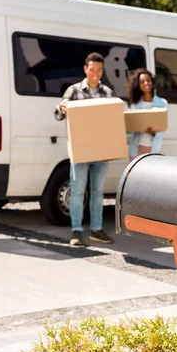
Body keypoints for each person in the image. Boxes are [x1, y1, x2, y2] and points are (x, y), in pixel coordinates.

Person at [55, 52, 115, 246]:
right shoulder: (73, 91)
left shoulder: (108, 93)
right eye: (92, 69)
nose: (95, 73)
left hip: (101, 149)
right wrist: (61, 107)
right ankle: (77, 231)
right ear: (85, 69)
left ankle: (96, 230)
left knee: (98, 192)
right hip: (81, 149)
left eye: (99, 70)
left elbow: (113, 118)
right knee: (78, 191)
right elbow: (58, 113)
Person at [127, 68, 168, 160]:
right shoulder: (135, 104)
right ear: (138, 85)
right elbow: (131, 126)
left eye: (148, 80)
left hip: (153, 148)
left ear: (152, 82)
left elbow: (164, 127)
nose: (146, 83)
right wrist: (140, 127)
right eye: (142, 82)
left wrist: (154, 131)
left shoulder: (162, 103)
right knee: (134, 174)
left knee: (152, 174)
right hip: (137, 148)